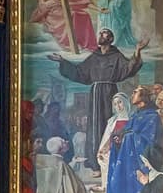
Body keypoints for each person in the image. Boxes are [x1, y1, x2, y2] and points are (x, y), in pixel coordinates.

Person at [51, 29, 149, 169]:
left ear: (110, 39)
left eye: (104, 34)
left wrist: (138, 50)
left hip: (109, 93)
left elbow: (129, 68)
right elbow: (80, 72)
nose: (100, 36)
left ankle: (109, 161)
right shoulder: (94, 56)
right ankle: (95, 163)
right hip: (95, 93)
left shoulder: (116, 56)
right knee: (94, 125)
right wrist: (62, 61)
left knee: (108, 123)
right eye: (100, 34)